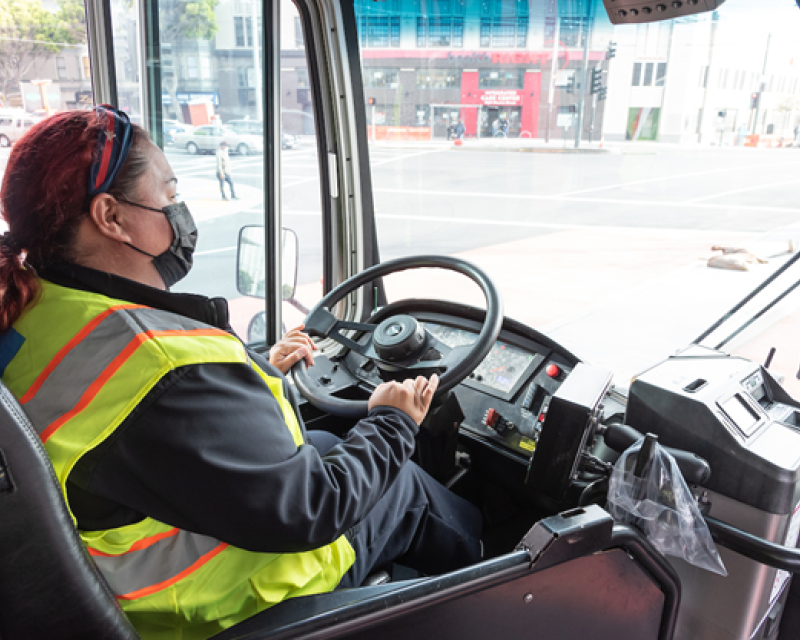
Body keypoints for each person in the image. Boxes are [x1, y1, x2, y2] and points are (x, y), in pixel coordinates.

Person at [0, 107, 482, 639]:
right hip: (219, 606)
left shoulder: (38, 307)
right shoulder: (161, 364)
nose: (178, 211)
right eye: (168, 194)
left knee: (322, 439)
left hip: (118, 559)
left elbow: (155, 429)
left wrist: (256, 370)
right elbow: (309, 509)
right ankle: (494, 579)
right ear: (111, 217)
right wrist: (393, 421)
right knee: (401, 486)